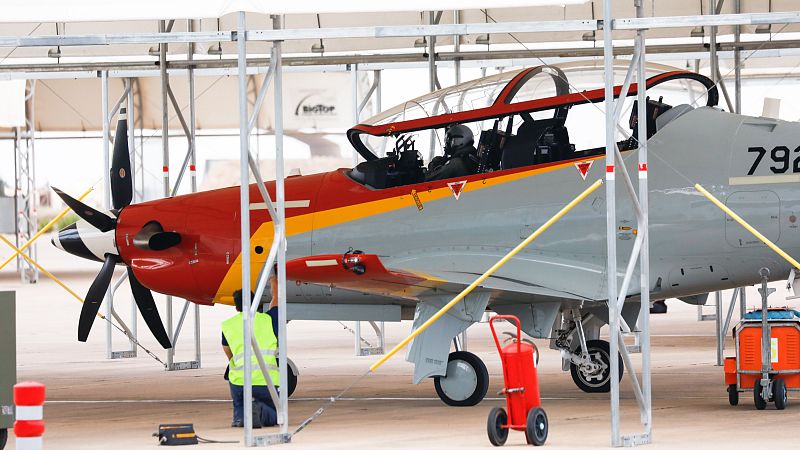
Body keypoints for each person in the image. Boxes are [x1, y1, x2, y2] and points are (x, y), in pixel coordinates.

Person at [222, 265, 280, 428]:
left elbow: (227, 351)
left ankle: (240, 417)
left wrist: (235, 362)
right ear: (256, 302)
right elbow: (277, 301)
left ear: (236, 306)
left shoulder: (228, 325)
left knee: (233, 378)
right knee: (276, 415)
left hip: (240, 381)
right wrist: (273, 280)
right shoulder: (268, 320)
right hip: (266, 380)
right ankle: (260, 409)